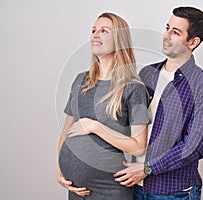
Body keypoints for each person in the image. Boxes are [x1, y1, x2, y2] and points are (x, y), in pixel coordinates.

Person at [114, 6, 203, 200]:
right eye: (167, 28)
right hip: (132, 186)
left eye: (176, 32)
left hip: (173, 192)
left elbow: (194, 146)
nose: (166, 35)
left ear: (193, 42)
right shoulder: (146, 74)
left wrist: (147, 169)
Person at [57, 12, 150, 200]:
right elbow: (66, 131)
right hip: (76, 188)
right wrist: (60, 170)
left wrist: (96, 127)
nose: (95, 35)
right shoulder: (80, 81)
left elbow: (138, 148)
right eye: (93, 30)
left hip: (110, 188)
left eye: (104, 31)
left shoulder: (133, 88)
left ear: (119, 40)